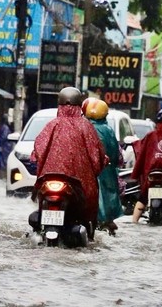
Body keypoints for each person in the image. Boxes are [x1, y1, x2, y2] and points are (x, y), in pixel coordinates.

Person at [30, 87, 106, 230]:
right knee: (89, 204)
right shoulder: (86, 127)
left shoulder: (52, 125)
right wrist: (99, 165)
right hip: (77, 182)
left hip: (49, 178)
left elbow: (39, 149)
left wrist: (37, 159)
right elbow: (95, 154)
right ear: (79, 107)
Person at [84, 99, 122, 233]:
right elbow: (115, 153)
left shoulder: (83, 127)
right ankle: (106, 220)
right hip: (106, 172)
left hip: (87, 171)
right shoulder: (108, 131)